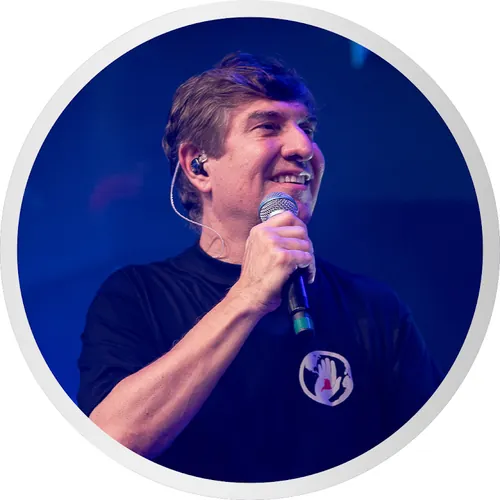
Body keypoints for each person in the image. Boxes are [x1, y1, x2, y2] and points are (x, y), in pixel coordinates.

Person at [77, 52, 443, 483]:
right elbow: (111, 443)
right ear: (198, 166)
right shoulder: (136, 296)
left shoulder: (373, 308)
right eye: (268, 126)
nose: (304, 148)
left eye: (307, 129)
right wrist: (248, 297)